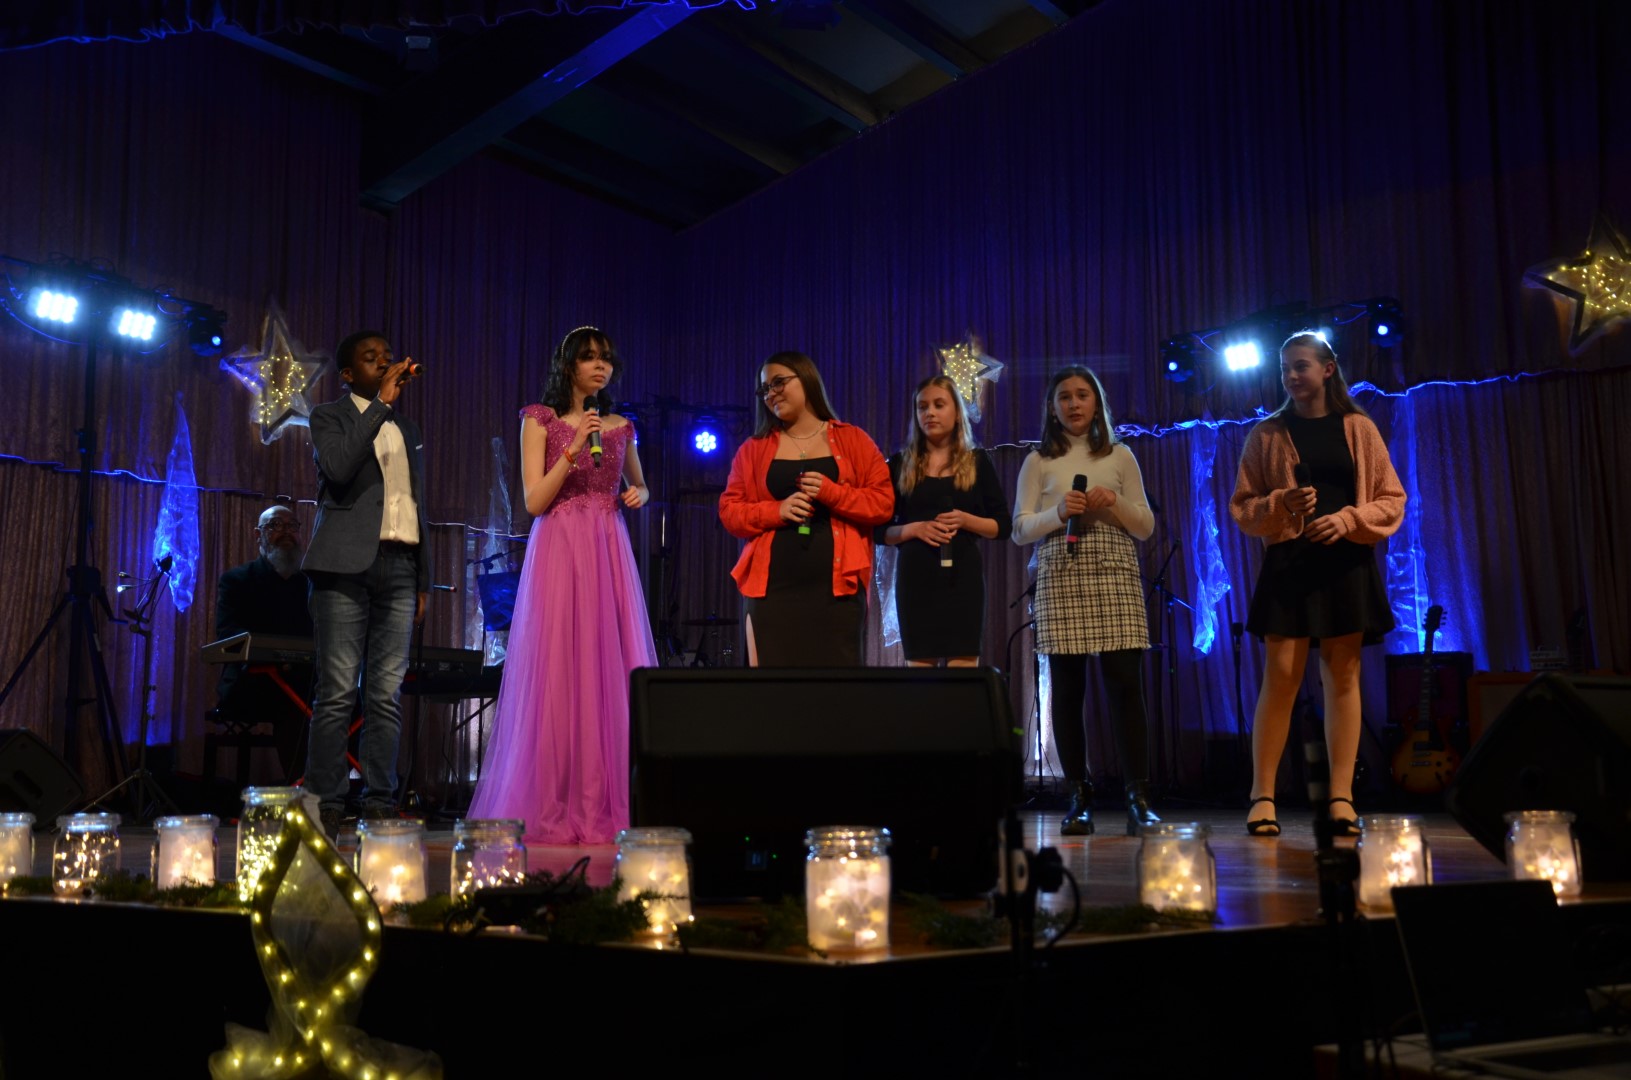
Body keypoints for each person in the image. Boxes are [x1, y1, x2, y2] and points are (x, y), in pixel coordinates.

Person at [467, 326, 657, 845]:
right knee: (560, 667)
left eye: (606, 358)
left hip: (607, 549)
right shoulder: (539, 419)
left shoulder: (620, 427)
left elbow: (639, 483)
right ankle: (555, 800)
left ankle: (603, 800)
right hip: (559, 546)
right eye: (589, 357)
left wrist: (639, 494)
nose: (601, 366)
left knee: (605, 665)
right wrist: (572, 448)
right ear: (568, 365)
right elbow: (534, 501)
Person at [1230, 332, 1405, 838]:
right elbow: (1242, 507)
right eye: (1284, 368)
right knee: (1281, 677)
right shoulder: (1266, 433)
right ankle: (1262, 796)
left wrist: (1348, 519)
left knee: (1343, 677)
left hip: (1345, 562)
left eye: (1300, 366)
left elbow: (1392, 498)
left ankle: (1341, 798)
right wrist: (1281, 503)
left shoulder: (1359, 427)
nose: (1290, 376)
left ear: (1328, 369)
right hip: (1290, 562)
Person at [1012, 366, 1158, 836]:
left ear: (1097, 404)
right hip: (1060, 570)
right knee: (1068, 688)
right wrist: (1058, 512)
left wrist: (1112, 501)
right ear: (1052, 408)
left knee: (1125, 685)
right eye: (1064, 397)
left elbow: (1145, 527)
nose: (1074, 404)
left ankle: (1138, 798)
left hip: (1114, 570)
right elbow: (1019, 530)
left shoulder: (1121, 454)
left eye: (1082, 395)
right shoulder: (1038, 460)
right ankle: (1079, 797)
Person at [303, 330, 430, 839]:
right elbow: (337, 468)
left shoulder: (407, 427)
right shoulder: (329, 416)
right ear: (348, 374)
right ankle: (326, 802)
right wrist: (379, 406)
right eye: (370, 358)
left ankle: (380, 801)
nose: (383, 362)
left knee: (385, 693)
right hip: (343, 565)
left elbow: (417, 502)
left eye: (387, 356)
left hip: (400, 565)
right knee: (337, 691)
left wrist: (424, 578)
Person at [719, 351, 893, 666]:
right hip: (771, 593)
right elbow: (730, 512)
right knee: (774, 689)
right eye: (765, 389)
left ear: (807, 379)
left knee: (835, 688)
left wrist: (832, 493)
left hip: (836, 593)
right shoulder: (753, 449)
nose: (771, 394)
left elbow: (883, 504)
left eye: (779, 382)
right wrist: (777, 511)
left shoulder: (853, 439)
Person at [879, 375, 1011, 666]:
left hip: (962, 578)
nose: (930, 413)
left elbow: (1002, 527)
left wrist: (965, 520)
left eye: (939, 405)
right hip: (916, 579)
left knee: (963, 673)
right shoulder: (900, 464)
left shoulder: (977, 462)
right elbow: (879, 532)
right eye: (922, 407)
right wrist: (915, 529)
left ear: (957, 412)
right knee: (920, 675)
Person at [214, 504, 314, 779]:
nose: (286, 532)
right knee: (293, 708)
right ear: (258, 534)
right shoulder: (236, 580)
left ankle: (352, 788)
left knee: (352, 702)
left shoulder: (312, 585)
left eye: (292, 526)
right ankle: (304, 791)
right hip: (252, 683)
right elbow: (228, 634)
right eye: (275, 525)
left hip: (303, 682)